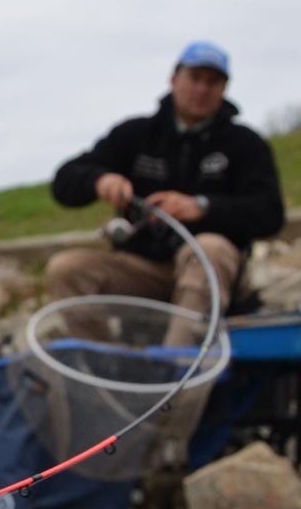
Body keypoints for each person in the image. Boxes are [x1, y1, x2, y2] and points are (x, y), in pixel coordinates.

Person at [46, 41, 285, 345]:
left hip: (215, 273)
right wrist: (100, 180)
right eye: (195, 78)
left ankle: (174, 373)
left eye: (213, 82)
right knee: (66, 268)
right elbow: (64, 182)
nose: (202, 89)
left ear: (224, 89)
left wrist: (204, 208)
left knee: (208, 248)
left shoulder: (245, 144)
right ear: (174, 80)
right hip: (143, 270)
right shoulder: (135, 135)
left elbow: (270, 213)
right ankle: (105, 371)